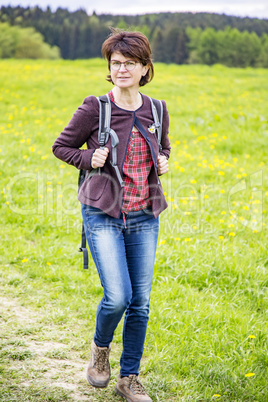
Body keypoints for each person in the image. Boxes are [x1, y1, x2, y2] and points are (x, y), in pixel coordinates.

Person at [52, 28, 170, 402]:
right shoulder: (95, 107)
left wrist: (165, 159)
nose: (121, 69)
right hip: (102, 211)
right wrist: (89, 158)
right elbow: (61, 146)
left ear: (144, 68)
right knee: (118, 296)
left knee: (141, 302)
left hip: (143, 215)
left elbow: (163, 146)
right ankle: (100, 350)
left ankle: (128, 377)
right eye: (115, 63)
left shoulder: (157, 109)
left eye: (129, 63)